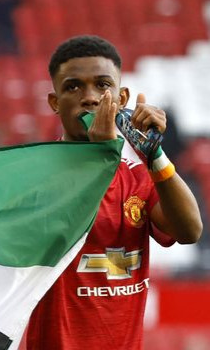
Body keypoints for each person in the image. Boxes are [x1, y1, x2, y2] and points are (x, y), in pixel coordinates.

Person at [26, 35, 202, 349]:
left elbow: (190, 231)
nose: (90, 98)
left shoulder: (139, 175)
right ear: (55, 102)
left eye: (102, 85)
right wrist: (100, 157)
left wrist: (154, 155)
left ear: (121, 98)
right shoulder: (34, 178)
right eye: (73, 87)